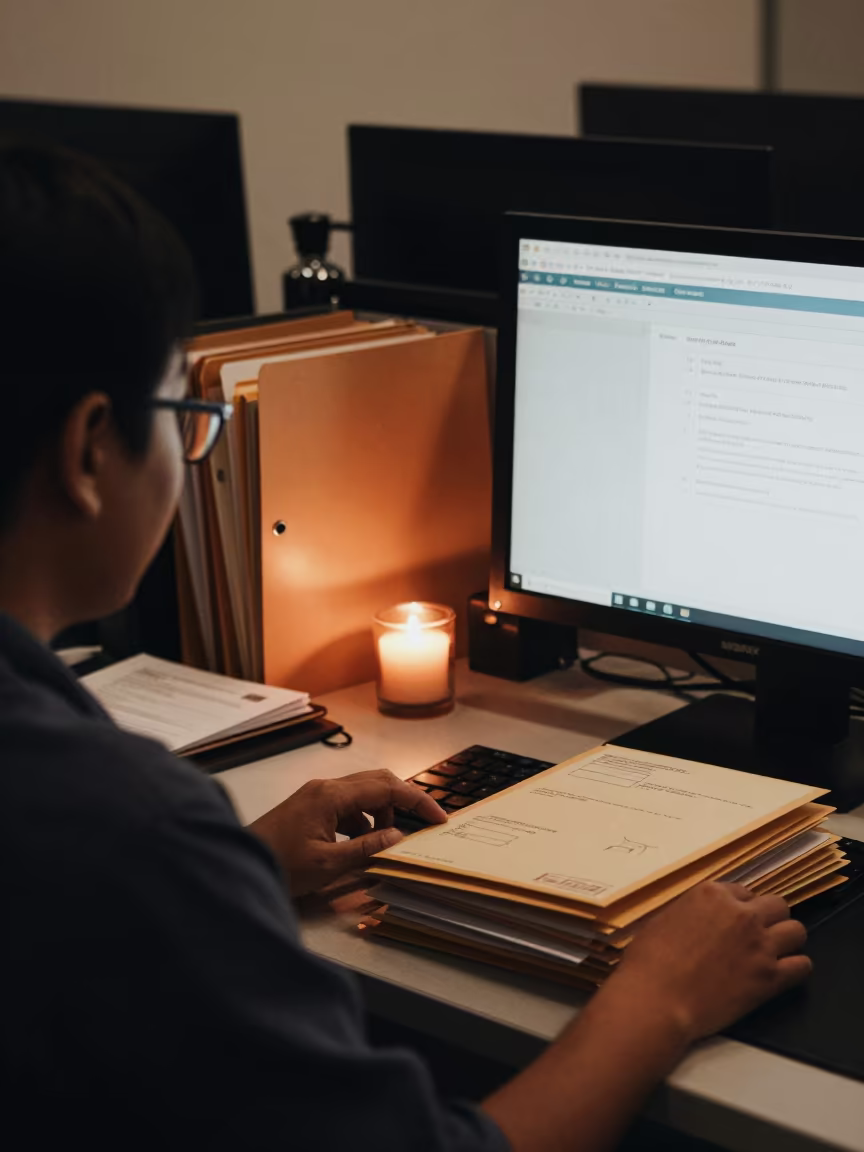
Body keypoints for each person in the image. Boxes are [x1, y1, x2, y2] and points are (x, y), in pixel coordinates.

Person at [0, 143, 811, 1152]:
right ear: (88, 451)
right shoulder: (123, 825)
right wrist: (662, 997)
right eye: (186, 412)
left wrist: (231, 872)